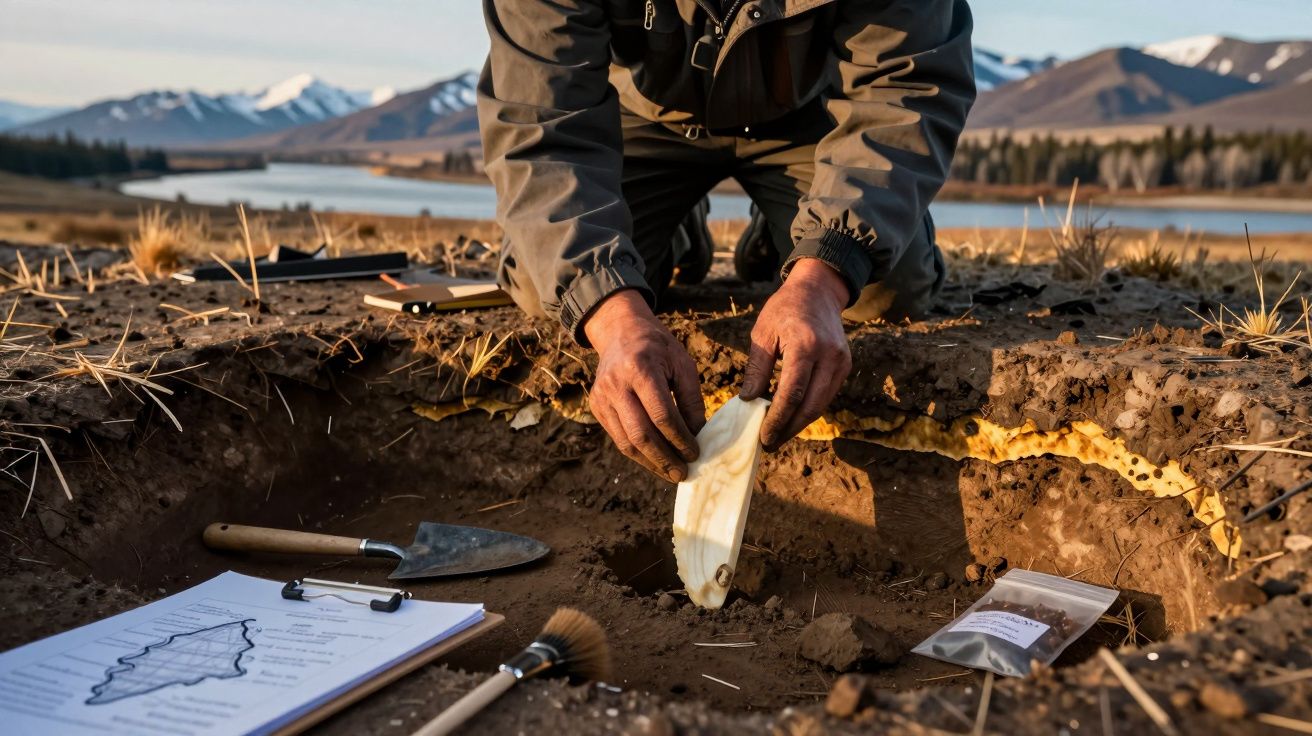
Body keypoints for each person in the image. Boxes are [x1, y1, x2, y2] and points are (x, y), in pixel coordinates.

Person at [477, 0, 976, 482]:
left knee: (880, 293)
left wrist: (823, 275)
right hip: (642, 120)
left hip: (811, 119)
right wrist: (609, 312)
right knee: (555, 290)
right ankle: (677, 234)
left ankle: (792, 229)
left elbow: (905, 90)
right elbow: (538, 121)